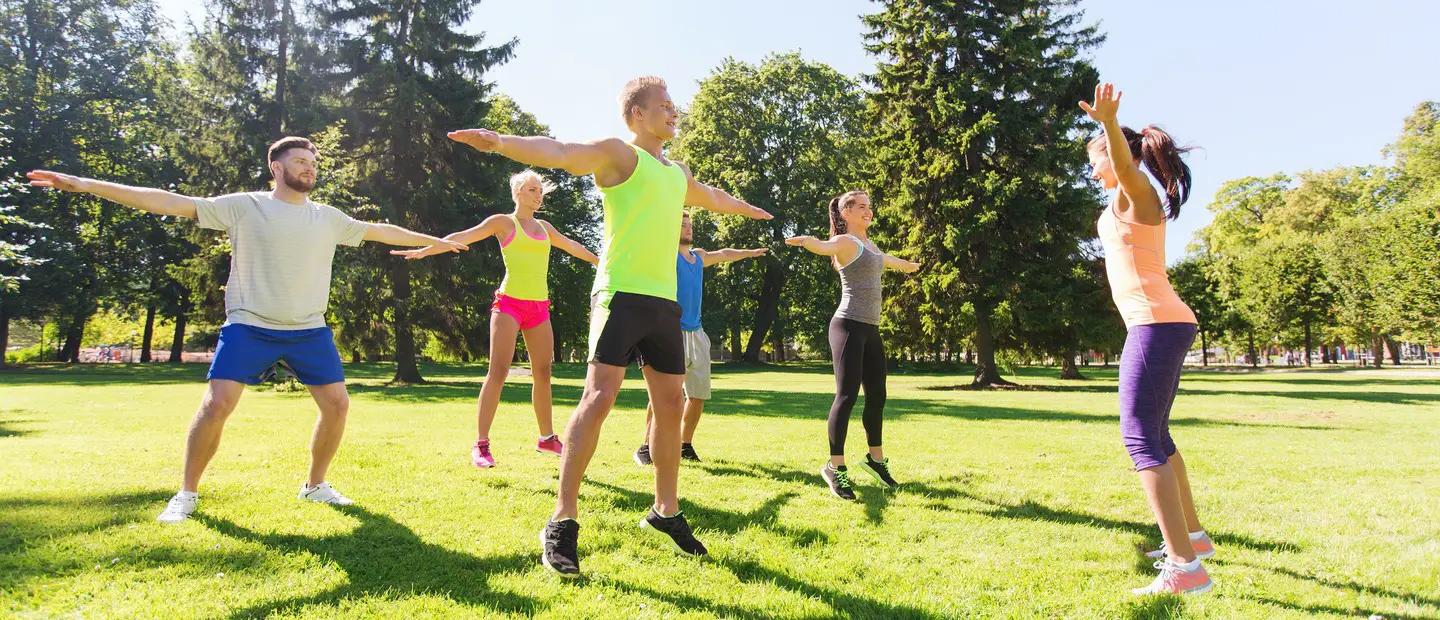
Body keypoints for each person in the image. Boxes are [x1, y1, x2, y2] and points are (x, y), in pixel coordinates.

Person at [27, 136, 467, 523]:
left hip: (309, 329)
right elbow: (165, 200)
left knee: (337, 405)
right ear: (277, 168)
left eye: (312, 163)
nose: (309, 168)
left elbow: (379, 231)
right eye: (300, 162)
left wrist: (436, 242)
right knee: (217, 404)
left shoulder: (327, 217)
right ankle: (186, 494)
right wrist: (86, 184)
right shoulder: (245, 206)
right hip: (249, 325)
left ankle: (315, 486)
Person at [447, 76, 772, 576]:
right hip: (620, 294)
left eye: (674, 104)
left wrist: (746, 209)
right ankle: (562, 519)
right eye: (664, 105)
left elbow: (709, 195)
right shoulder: (620, 155)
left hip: (664, 301)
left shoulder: (676, 172)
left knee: (670, 404)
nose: (674, 111)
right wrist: (501, 142)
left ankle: (666, 511)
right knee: (598, 399)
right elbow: (559, 151)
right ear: (637, 114)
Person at [1080, 82, 1213, 595]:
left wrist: (1109, 125)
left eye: (1096, 160)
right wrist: (1110, 133)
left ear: (1119, 157)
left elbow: (1123, 164)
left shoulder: (1139, 194)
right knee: (1157, 435)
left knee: (1139, 437)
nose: (1092, 170)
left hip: (1156, 324)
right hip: (1160, 323)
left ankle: (1185, 569)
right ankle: (1193, 541)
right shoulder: (1124, 198)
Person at [393, 169, 598, 468]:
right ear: (517, 192)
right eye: (531, 189)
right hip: (509, 304)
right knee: (498, 371)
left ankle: (546, 438)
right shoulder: (504, 222)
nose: (537, 194)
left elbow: (573, 247)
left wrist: (602, 261)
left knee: (543, 372)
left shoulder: (545, 228)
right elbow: (462, 237)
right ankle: (481, 444)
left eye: (540, 190)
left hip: (539, 306)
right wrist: (426, 251)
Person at [785, 190, 919, 501]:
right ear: (845, 213)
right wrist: (808, 241)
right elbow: (825, 246)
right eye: (861, 206)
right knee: (846, 396)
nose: (868, 211)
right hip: (847, 326)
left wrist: (910, 265)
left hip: (870, 329)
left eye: (869, 206)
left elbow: (887, 260)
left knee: (877, 395)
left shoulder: (870, 245)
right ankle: (835, 467)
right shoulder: (846, 242)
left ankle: (875, 459)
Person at [633, 212, 767, 466]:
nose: (687, 228)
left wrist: (750, 252)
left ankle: (685, 445)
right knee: (663, 394)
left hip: (697, 334)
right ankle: (645, 446)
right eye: (682, 224)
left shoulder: (698, 257)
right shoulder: (666, 256)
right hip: (670, 332)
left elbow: (725, 254)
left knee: (697, 395)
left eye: (689, 224)